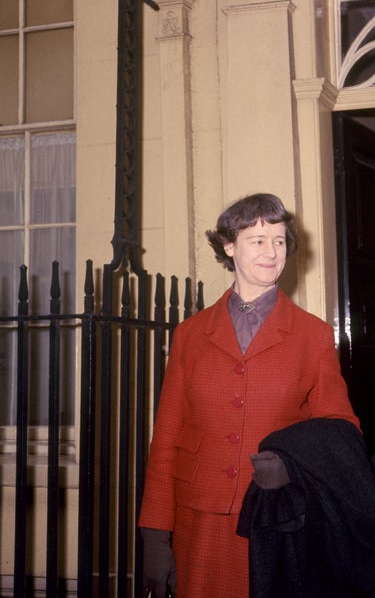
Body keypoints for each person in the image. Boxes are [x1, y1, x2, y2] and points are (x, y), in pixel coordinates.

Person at [138, 193, 359, 597]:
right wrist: (155, 536)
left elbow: (341, 431)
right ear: (229, 246)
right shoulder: (190, 335)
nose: (272, 252)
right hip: (199, 524)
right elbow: (166, 440)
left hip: (275, 520)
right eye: (257, 240)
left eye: (279, 240)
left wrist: (294, 465)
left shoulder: (313, 336)